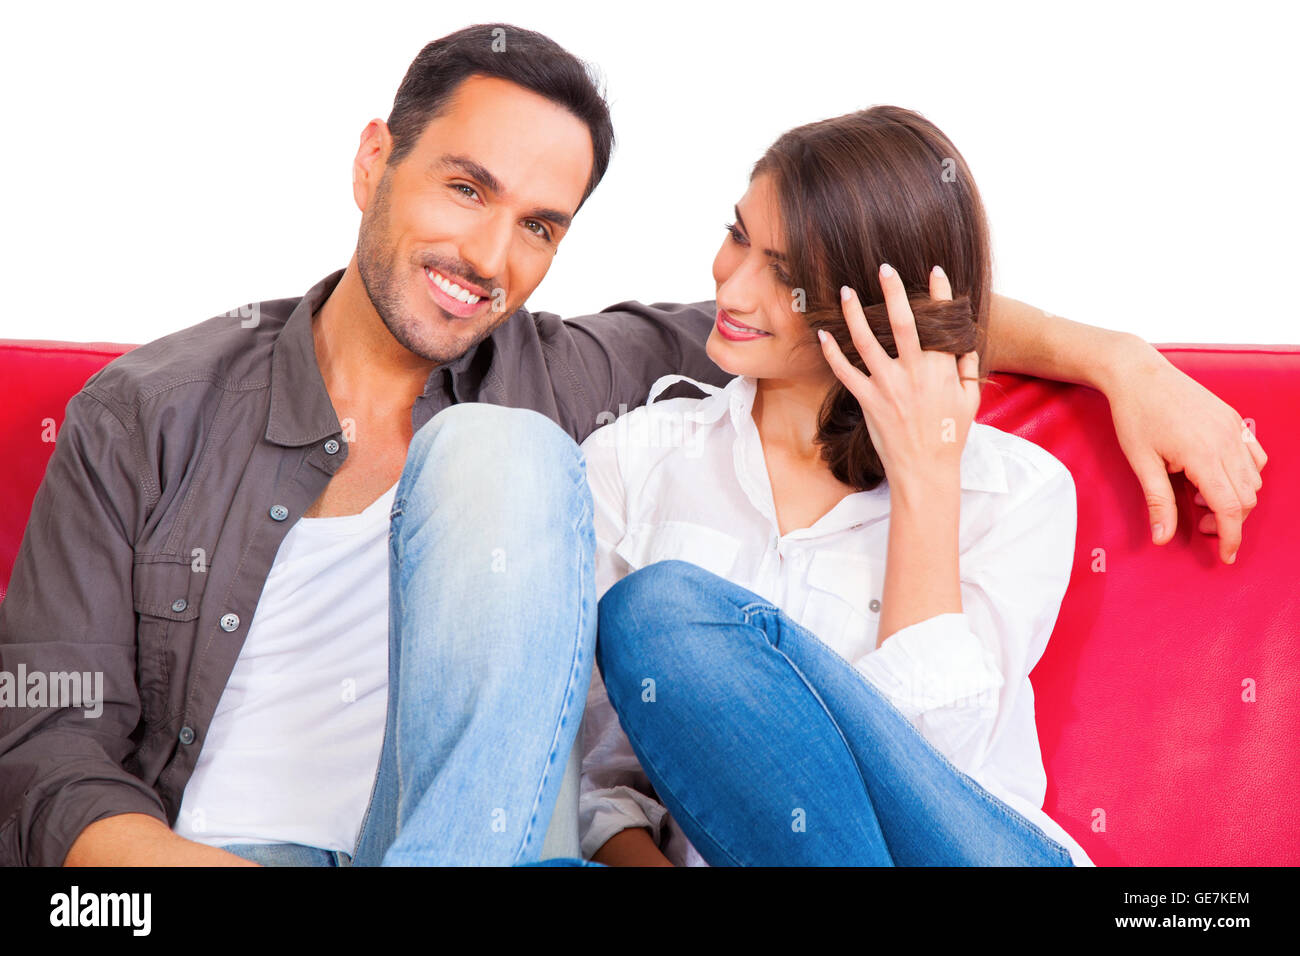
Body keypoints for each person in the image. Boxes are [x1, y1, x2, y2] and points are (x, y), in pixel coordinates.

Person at [0, 24, 1266, 868]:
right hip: (235, 854)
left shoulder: (574, 378)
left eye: (540, 225)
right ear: (373, 159)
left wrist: (1115, 356)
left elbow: (870, 296)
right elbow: (41, 742)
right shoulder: (147, 411)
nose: (490, 261)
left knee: (501, 457)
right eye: (464, 188)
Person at [578, 106, 1095, 866]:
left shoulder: (1015, 492)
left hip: (966, 850)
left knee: (664, 606)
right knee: (657, 618)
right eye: (738, 235)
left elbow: (936, 767)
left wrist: (925, 479)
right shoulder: (633, 461)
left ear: (884, 313)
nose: (734, 284)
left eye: (783, 275)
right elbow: (601, 785)